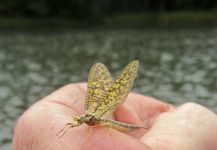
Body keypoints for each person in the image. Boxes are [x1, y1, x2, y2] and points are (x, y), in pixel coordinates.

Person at [13, 83, 217, 150]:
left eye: (79, 121)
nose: (78, 122)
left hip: (114, 123)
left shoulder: (93, 121)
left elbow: (102, 129)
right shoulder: (85, 120)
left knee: (110, 127)